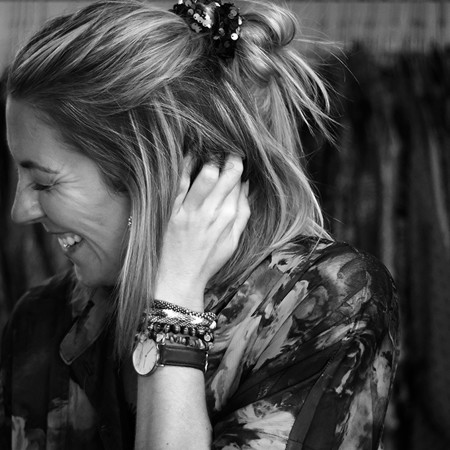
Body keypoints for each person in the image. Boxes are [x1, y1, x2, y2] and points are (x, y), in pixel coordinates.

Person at [0, 0, 399, 449]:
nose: (20, 211)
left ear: (155, 174)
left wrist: (174, 305)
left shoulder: (323, 304)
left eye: (44, 182)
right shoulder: (40, 319)